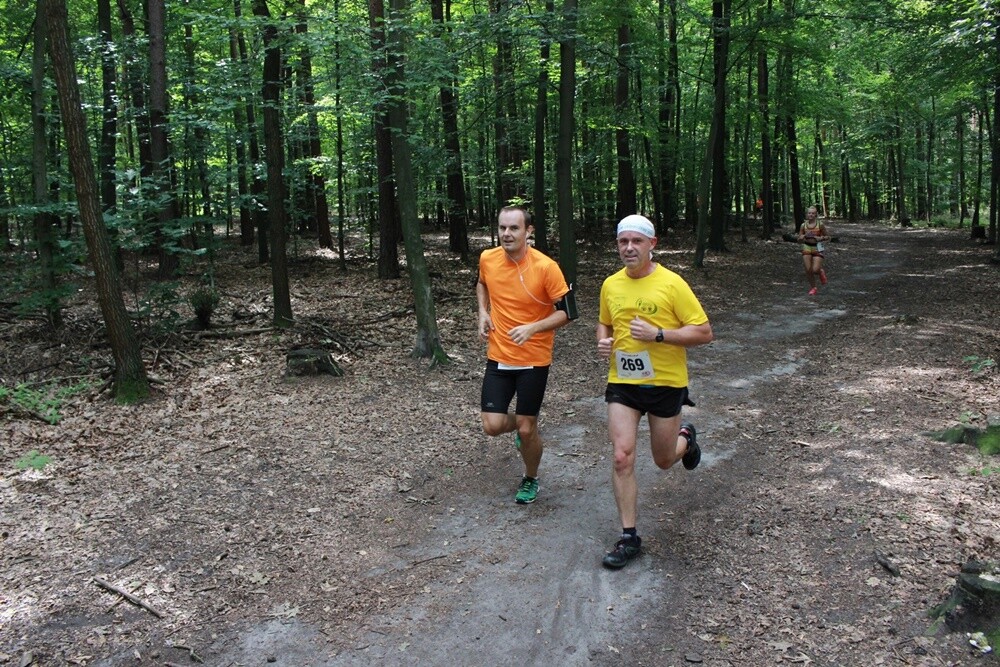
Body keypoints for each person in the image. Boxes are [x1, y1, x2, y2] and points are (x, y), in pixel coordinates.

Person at [596, 214, 713, 569]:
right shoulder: (611, 285)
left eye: (636, 241)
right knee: (622, 456)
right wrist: (603, 340)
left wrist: (659, 335)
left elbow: (704, 332)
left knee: (663, 460)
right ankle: (629, 537)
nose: (629, 248)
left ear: (652, 244)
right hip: (623, 383)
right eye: (622, 242)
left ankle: (685, 439)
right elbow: (604, 321)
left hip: (665, 383)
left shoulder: (672, 284)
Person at [477, 206, 576, 504]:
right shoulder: (488, 259)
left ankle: (530, 477)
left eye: (514, 228)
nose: (507, 234)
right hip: (499, 356)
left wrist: (534, 328)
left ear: (528, 231)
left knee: (526, 427)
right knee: (492, 426)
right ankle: (524, 426)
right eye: (502, 228)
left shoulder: (546, 267)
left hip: (533, 360)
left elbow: (569, 312)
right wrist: (482, 312)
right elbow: (482, 283)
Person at [798, 206, 830, 295]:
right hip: (807, 247)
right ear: (806, 214)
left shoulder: (820, 224)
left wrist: (821, 238)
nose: (811, 215)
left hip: (818, 247)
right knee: (808, 270)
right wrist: (801, 238)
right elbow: (799, 239)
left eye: (813, 213)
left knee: (815, 270)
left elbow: (828, 237)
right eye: (809, 213)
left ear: (816, 214)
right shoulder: (803, 225)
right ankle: (813, 288)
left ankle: (820, 271)